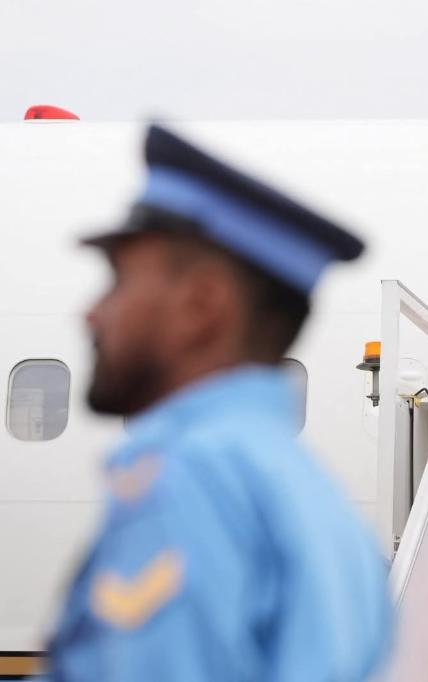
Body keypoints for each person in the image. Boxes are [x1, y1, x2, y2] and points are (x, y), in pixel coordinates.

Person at [44, 125, 392, 681]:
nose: (92, 313)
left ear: (202, 305)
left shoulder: (189, 478)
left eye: (118, 281)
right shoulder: (319, 502)